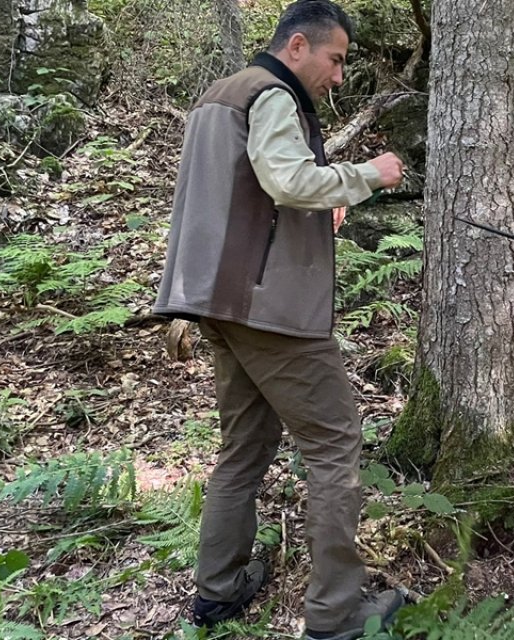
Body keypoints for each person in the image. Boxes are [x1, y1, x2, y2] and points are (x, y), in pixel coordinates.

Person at [152, 1, 407, 637]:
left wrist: (317, 207)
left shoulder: (220, 94)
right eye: (336, 59)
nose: (339, 75)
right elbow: (287, 179)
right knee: (334, 445)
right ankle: (336, 614)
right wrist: (365, 176)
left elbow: (245, 193)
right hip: (271, 310)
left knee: (244, 447)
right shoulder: (272, 95)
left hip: (219, 301)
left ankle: (218, 590)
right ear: (298, 46)